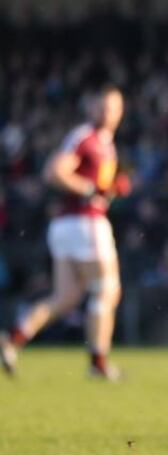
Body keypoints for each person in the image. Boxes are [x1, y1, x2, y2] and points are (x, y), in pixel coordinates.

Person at [0, 85, 130, 380]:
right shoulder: (86, 137)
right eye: (105, 107)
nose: (110, 113)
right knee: (107, 290)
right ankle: (98, 363)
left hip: (68, 225)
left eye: (115, 108)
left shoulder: (104, 142)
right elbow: (54, 171)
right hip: (85, 223)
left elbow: (95, 185)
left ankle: (12, 339)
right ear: (93, 107)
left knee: (65, 297)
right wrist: (93, 189)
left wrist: (111, 188)